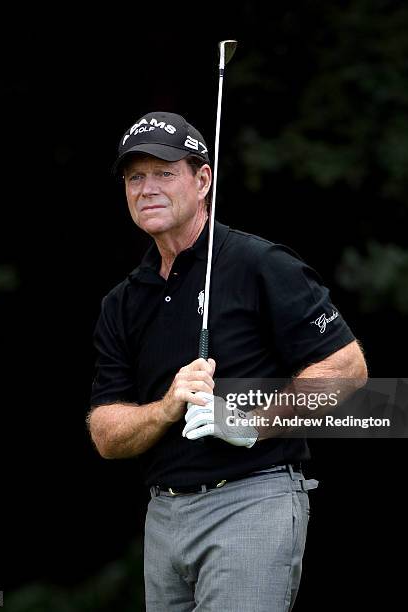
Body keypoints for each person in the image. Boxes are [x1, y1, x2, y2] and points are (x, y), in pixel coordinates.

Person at [87, 111, 368, 611]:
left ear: (203, 180)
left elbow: (345, 371)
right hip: (164, 517)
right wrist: (167, 405)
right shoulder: (123, 302)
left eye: (165, 172)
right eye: (136, 177)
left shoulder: (260, 264)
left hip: (252, 502)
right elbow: (107, 432)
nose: (147, 188)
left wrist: (251, 424)